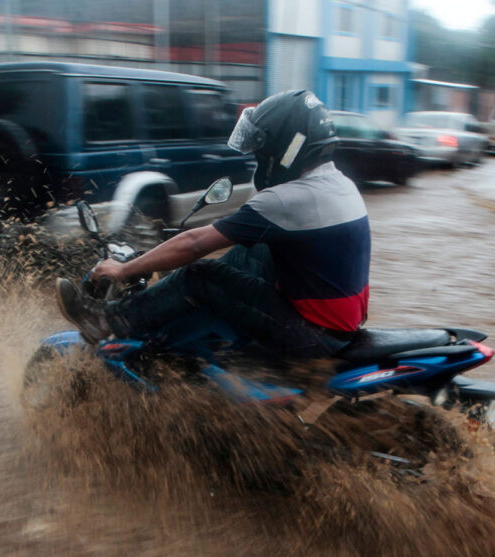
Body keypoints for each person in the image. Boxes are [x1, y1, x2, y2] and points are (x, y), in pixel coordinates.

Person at [56, 89, 370, 359]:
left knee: (201, 275)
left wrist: (124, 269)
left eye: (263, 149)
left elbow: (193, 244)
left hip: (313, 336)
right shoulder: (340, 184)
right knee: (251, 253)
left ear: (289, 146)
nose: (260, 157)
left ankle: (107, 321)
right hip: (341, 324)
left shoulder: (287, 199)